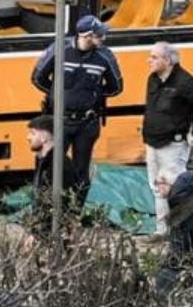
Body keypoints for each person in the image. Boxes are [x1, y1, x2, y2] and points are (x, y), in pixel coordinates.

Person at [30, 15, 123, 208]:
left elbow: (116, 87)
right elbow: (38, 78)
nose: (103, 39)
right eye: (100, 35)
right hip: (58, 122)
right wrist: (60, 94)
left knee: (81, 172)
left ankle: (75, 213)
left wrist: (93, 96)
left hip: (86, 124)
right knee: (48, 167)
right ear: (88, 36)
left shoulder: (105, 56)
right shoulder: (59, 50)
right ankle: (42, 211)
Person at [142, 42, 193, 238]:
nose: (149, 60)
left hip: (173, 145)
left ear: (167, 60)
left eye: (154, 57)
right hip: (152, 142)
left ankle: (183, 230)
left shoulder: (184, 82)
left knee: (177, 188)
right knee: (157, 187)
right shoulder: (153, 79)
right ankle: (162, 231)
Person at [26, 114, 76, 233]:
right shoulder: (43, 160)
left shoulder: (59, 165)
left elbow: (57, 205)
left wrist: (36, 233)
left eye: (33, 133)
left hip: (52, 232)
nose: (28, 137)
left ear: (44, 137)